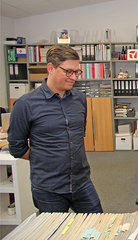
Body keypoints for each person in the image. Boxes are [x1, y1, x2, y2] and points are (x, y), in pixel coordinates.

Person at [7, 45, 103, 214]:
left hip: (82, 182)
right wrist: (45, 157)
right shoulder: (25, 104)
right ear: (50, 68)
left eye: (77, 72)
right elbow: (16, 147)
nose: (73, 77)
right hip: (48, 188)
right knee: (56, 234)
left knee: (99, 226)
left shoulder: (79, 98)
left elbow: (79, 134)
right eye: (68, 72)